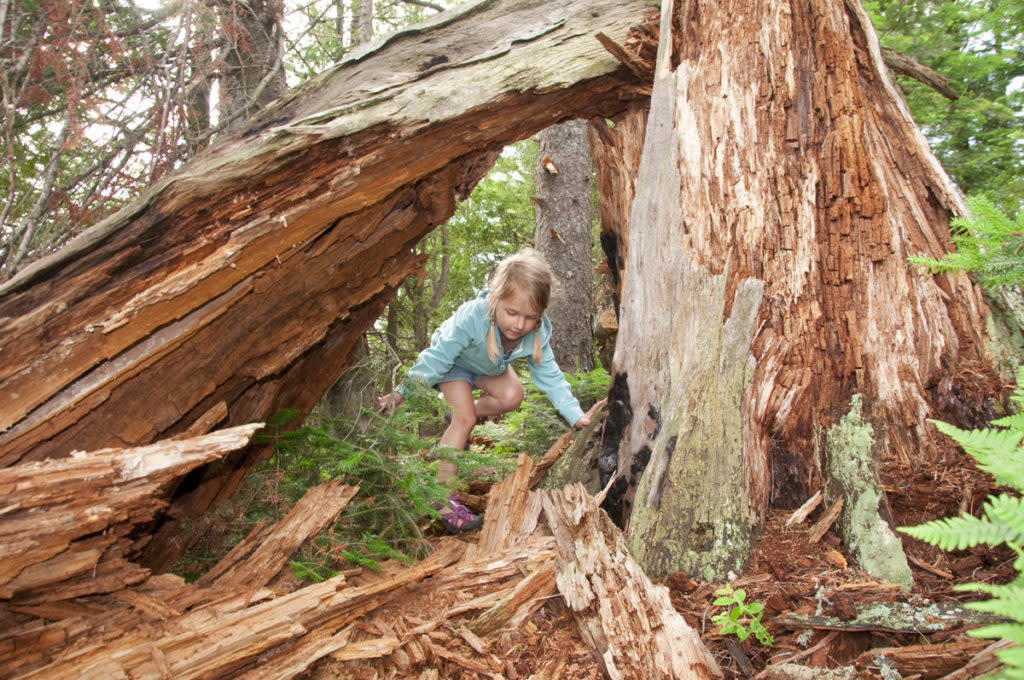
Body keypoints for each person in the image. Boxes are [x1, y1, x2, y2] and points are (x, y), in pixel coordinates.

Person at [378, 248, 602, 533]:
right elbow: (437, 358)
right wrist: (402, 393)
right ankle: (441, 499)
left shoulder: (538, 331)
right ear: (495, 298)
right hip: (455, 365)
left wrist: (576, 415)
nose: (519, 324)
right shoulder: (473, 316)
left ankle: (455, 421)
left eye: (530, 317)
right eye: (511, 313)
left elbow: (551, 376)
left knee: (513, 396)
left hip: (488, 368)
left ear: (541, 314)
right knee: (466, 420)